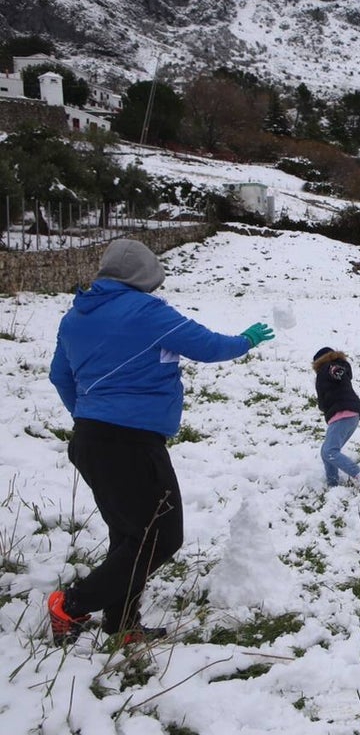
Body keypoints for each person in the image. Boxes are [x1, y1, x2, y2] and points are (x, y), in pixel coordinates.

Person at [46, 238, 275, 647]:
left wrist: (89, 416)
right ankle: (72, 604)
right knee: (161, 536)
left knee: (129, 534)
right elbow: (208, 346)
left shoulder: (75, 317)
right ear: (144, 277)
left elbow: (60, 377)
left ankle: (122, 625)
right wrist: (248, 340)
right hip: (131, 445)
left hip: (91, 441)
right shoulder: (148, 312)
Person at [312, 347, 360, 490]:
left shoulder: (330, 366)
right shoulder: (329, 369)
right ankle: (332, 483)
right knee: (326, 451)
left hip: (343, 413)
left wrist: (336, 371)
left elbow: (336, 370)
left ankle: (359, 474)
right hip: (347, 415)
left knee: (329, 451)